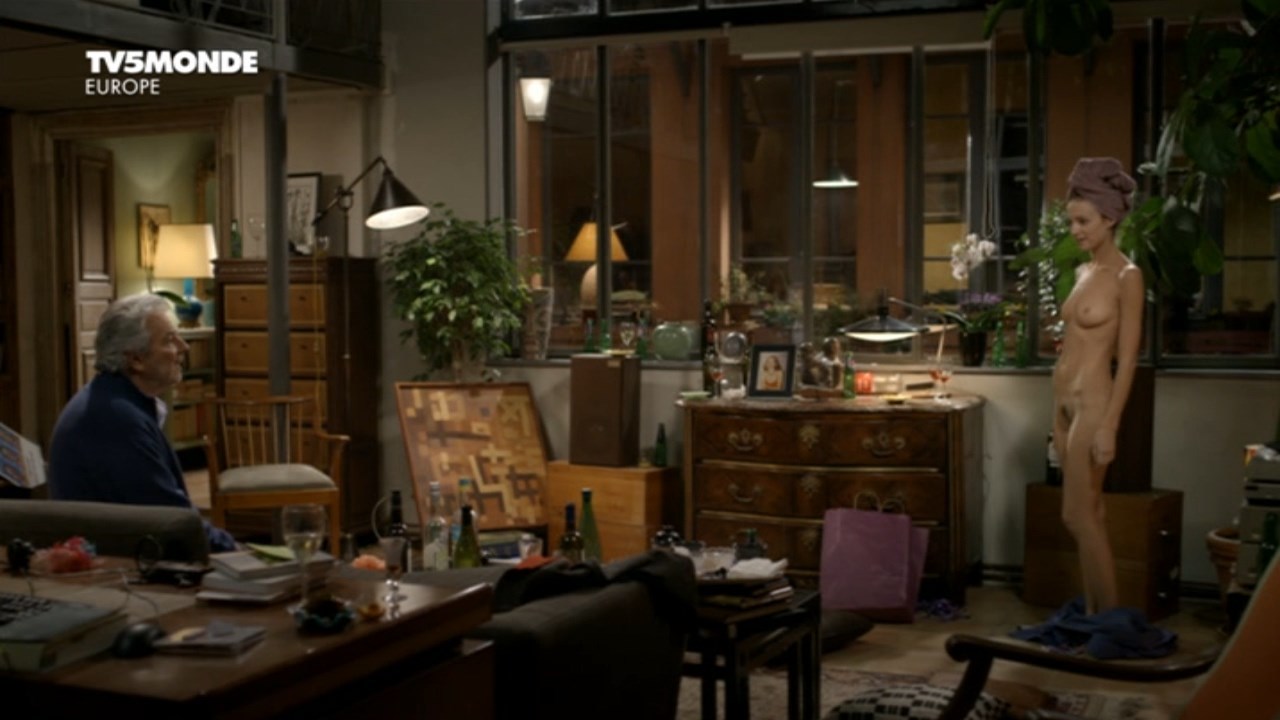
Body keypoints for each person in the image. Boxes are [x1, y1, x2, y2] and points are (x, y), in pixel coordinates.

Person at [48, 293, 236, 552]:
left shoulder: (114, 400)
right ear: (136, 360)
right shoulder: (116, 420)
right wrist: (236, 550)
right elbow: (172, 523)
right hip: (120, 565)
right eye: (169, 340)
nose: (184, 347)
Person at [1053, 157, 1143, 615]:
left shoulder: (1128, 277)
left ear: (1109, 218)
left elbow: (1127, 360)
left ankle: (1107, 621)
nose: (1075, 230)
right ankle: (1094, 615)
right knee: (1091, 512)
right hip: (1064, 405)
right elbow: (1070, 346)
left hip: (1093, 404)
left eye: (1084, 221)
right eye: (1071, 221)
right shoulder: (1083, 273)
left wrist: (1110, 424)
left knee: (1077, 515)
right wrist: (1056, 414)